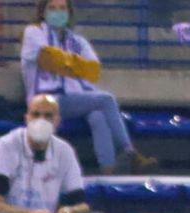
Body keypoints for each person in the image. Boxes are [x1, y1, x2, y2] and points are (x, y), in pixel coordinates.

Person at [19, 0, 155, 174]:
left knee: (98, 116)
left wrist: (65, 62)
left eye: (62, 8)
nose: (57, 12)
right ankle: (131, 152)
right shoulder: (33, 33)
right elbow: (49, 59)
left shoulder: (76, 41)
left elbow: (93, 70)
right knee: (106, 99)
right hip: (45, 101)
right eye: (52, 8)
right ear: (43, 12)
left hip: (74, 99)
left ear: (69, 12)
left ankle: (108, 170)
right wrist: (75, 64)